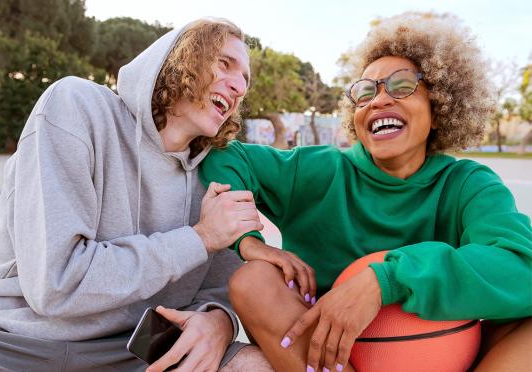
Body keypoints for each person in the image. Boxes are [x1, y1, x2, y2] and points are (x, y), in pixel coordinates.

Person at [200, 14, 532, 372]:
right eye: (365, 92)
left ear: (439, 108)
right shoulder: (315, 171)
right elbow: (223, 153)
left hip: (450, 356)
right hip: (335, 357)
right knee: (253, 280)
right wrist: (249, 241)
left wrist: (384, 281)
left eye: (402, 86)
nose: (378, 100)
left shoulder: (469, 184)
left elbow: (521, 267)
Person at [0, 18, 273, 372]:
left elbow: (220, 288)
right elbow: (56, 286)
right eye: (224, 63)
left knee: (259, 365)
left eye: (245, 81)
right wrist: (200, 237)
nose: (239, 86)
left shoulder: (220, 171)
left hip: (136, 350)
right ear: (183, 57)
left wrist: (219, 320)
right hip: (8, 339)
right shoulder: (76, 107)